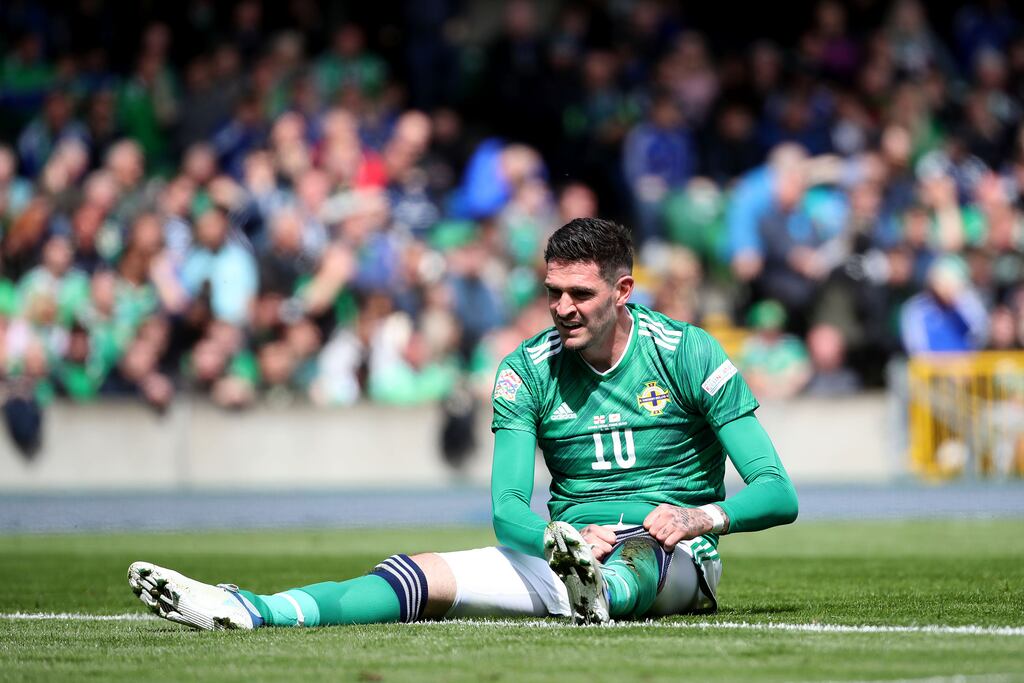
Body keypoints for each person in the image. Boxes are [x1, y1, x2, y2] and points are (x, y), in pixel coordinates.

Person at [128, 217, 798, 628]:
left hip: (676, 556)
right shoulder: (524, 368)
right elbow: (507, 508)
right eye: (552, 292)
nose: (562, 307)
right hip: (565, 551)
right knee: (418, 575)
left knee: (641, 559)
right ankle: (254, 609)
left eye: (580, 293)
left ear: (624, 291)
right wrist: (557, 535)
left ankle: (603, 593)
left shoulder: (688, 351)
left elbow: (777, 491)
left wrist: (694, 517)